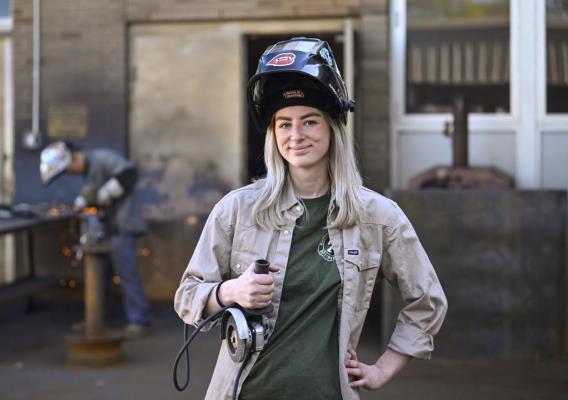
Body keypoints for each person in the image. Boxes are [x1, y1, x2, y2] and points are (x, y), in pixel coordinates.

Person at [174, 37, 447, 399]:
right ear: (273, 135)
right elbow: (187, 297)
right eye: (284, 124)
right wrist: (231, 290)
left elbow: (427, 301)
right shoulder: (238, 209)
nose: (296, 135)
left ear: (332, 129)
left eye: (309, 121)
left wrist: (383, 368)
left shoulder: (377, 216)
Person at [40, 141, 151, 339]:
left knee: (127, 274)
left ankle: (139, 321)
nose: (70, 174)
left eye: (67, 170)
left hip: (124, 228)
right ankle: (96, 318)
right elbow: (93, 194)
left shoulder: (103, 156)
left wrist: (105, 193)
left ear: (73, 159)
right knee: (100, 275)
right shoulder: (90, 171)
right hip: (107, 229)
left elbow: (129, 174)